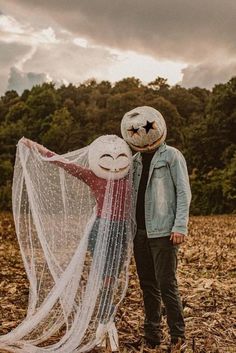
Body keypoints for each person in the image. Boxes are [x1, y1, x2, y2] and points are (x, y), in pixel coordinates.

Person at [121, 106, 191, 352]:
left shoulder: (172, 156)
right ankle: (152, 335)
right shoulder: (135, 161)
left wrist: (180, 225)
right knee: (147, 284)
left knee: (167, 284)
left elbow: (183, 192)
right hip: (140, 232)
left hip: (163, 231)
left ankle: (177, 335)